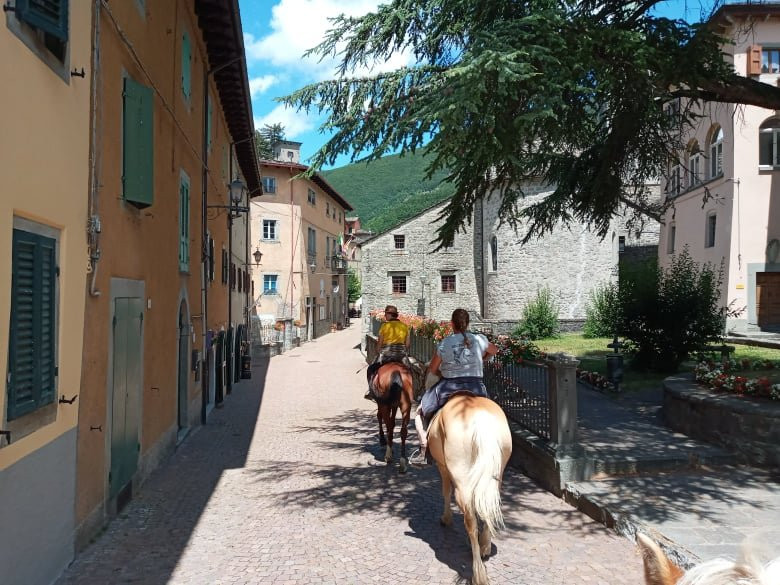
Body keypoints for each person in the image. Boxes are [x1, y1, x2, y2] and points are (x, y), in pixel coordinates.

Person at [409, 308, 498, 465]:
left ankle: (423, 450)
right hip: (476, 385)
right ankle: (497, 447)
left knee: (420, 411)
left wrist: (443, 370)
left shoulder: (446, 343)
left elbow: (433, 368)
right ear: (468, 323)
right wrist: (484, 357)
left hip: (449, 385)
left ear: (452, 324)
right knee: (493, 414)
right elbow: (495, 350)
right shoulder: (479, 339)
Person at [365, 305, 410, 400]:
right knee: (410, 371)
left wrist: (378, 352)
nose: (385, 316)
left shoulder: (385, 326)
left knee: (371, 369)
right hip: (401, 355)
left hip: (386, 354)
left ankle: (371, 391)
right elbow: (408, 344)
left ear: (390, 314)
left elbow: (379, 344)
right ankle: (411, 391)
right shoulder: (404, 326)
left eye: (385, 314)